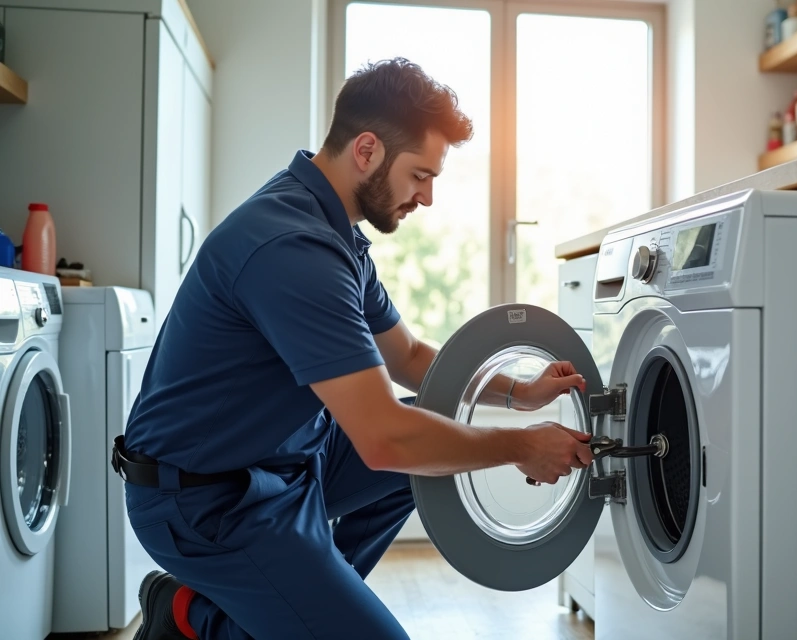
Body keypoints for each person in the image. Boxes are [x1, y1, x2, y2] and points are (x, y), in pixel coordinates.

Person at [112, 58, 594, 640]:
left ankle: (296, 601)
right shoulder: (294, 247)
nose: (428, 197)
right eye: (420, 175)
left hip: (288, 459)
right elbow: (384, 439)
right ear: (366, 150)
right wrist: (521, 446)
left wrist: (516, 393)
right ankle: (199, 615)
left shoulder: (331, 229)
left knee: (429, 439)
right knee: (411, 448)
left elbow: (407, 356)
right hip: (206, 500)